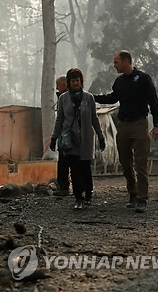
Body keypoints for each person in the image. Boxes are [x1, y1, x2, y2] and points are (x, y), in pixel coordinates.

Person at [94, 50, 158, 213]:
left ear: (126, 61)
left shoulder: (143, 79)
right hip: (123, 124)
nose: (114, 65)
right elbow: (112, 98)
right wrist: (92, 97)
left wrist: (157, 124)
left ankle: (142, 198)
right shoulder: (119, 82)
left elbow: (153, 101)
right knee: (125, 162)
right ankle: (133, 193)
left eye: (116, 62)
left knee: (141, 162)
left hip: (139, 123)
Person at [50, 68, 105, 210]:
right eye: (73, 80)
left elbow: (94, 118)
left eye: (77, 80)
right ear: (69, 82)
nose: (75, 83)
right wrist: (54, 138)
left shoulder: (89, 98)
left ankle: (88, 194)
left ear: (81, 81)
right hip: (70, 139)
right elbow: (60, 120)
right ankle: (78, 197)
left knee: (85, 168)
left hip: (86, 138)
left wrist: (100, 136)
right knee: (74, 170)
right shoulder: (63, 99)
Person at [53, 75, 71, 196]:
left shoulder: (65, 99)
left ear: (64, 86)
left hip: (66, 134)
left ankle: (63, 186)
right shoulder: (62, 98)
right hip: (65, 134)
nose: (56, 88)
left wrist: (55, 136)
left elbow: (59, 119)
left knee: (64, 162)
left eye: (58, 86)